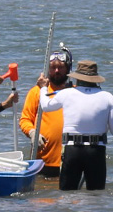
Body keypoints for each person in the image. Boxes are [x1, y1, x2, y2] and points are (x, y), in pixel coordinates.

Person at [36, 60, 113, 191]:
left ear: (77, 78)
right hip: (95, 152)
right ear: (95, 79)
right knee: (96, 196)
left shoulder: (66, 93)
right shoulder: (107, 97)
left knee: (67, 195)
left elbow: (46, 106)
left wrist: (43, 87)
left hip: (72, 151)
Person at [20, 47, 74, 177]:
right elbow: (25, 119)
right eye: (52, 67)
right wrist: (33, 133)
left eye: (60, 67)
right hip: (42, 161)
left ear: (67, 69)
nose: (56, 71)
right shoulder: (37, 92)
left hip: (71, 159)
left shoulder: (75, 92)